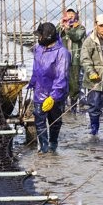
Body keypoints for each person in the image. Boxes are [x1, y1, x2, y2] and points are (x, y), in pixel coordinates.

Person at [26, 22, 70, 153]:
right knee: (39, 120)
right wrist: (32, 83)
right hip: (39, 92)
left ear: (47, 37)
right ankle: (43, 148)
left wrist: (53, 96)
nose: (38, 38)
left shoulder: (62, 53)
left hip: (56, 94)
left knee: (55, 121)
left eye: (40, 36)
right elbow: (36, 69)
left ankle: (53, 144)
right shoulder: (38, 49)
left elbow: (61, 77)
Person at [58, 8, 86, 110]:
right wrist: (61, 25)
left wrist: (68, 29)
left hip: (75, 59)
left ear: (76, 15)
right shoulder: (62, 26)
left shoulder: (80, 27)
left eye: (72, 13)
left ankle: (74, 105)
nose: (70, 15)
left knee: (74, 83)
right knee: (62, 82)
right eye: (68, 13)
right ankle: (63, 105)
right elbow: (54, 35)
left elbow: (76, 37)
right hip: (62, 60)